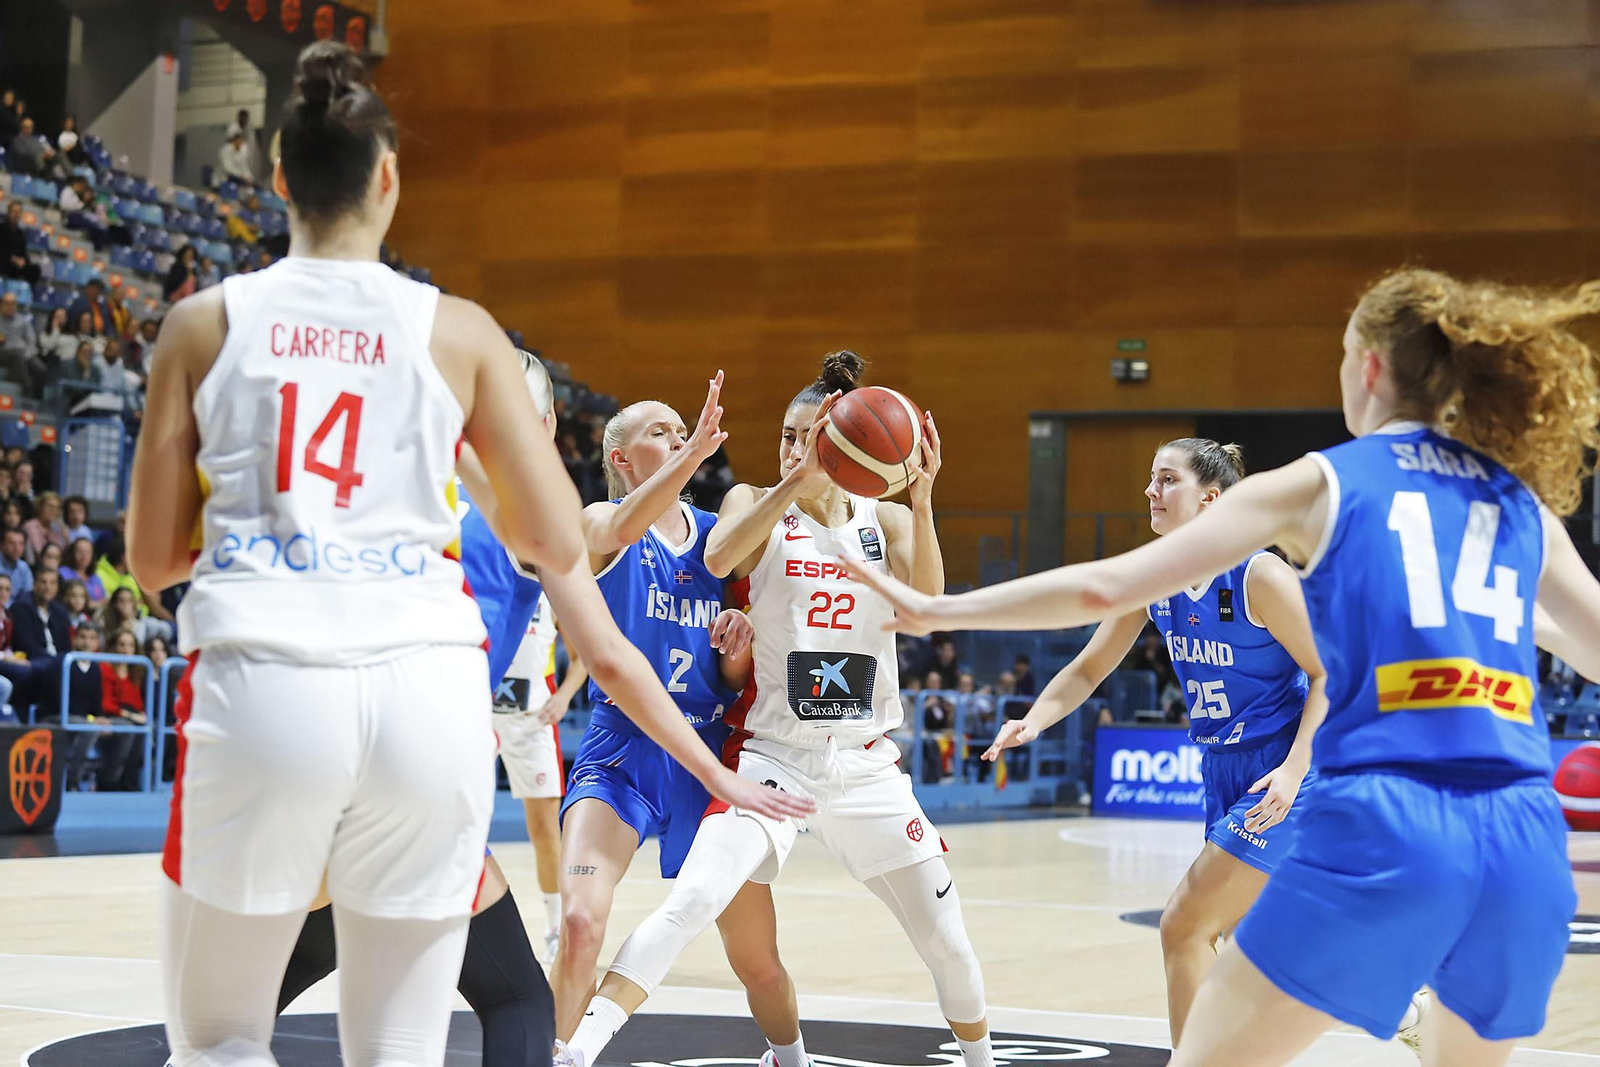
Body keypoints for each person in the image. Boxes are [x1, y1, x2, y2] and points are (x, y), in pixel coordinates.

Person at [128, 40, 808, 1067]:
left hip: (266, 682)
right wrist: (719, 765)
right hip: (426, 701)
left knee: (219, 1036)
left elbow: (150, 562)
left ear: (275, 178)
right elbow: (555, 543)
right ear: (390, 177)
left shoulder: (199, 324)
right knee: (404, 1042)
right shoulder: (459, 331)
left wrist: (278, 527)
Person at [841, 268, 1599, 1067]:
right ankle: (1404, 1005)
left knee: (1190, 938)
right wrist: (1529, 626)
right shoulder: (1519, 501)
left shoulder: (1326, 480)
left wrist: (942, 608)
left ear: (1369, 366)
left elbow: (1102, 583)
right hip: (1525, 836)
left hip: (1394, 811)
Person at [563, 352, 1000, 1067]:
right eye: (790, 435)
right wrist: (795, 479)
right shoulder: (753, 501)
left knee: (947, 942)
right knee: (692, 901)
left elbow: (928, 613)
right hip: (774, 759)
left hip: (865, 764)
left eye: (812, 435)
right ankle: (575, 1052)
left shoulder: (883, 519)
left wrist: (921, 500)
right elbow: (718, 559)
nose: (796, 448)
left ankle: (982, 1061)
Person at [982, 438, 1330, 1048]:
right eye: (1151, 479)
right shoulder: (1154, 578)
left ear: (1211, 499)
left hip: (1288, 767)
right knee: (1257, 945)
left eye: (1167, 480)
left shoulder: (1259, 574)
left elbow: (1333, 675)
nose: (1151, 491)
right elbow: (1090, 669)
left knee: (1183, 927)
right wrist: (1035, 719)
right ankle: (1405, 1011)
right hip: (1222, 767)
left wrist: (1294, 771)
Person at [549, 371, 762, 1041]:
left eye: (684, 429)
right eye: (660, 432)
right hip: (623, 744)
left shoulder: (716, 538)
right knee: (581, 921)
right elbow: (622, 519)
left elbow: (732, 676)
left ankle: (788, 1051)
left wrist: (737, 643)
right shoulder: (598, 523)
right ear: (620, 457)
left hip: (706, 750)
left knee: (756, 958)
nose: (677, 438)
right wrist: (697, 451)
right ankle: (558, 1053)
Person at [12, 566, 69, 661]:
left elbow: (66, 645)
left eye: (53, 583)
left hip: (58, 662)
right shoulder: (21, 608)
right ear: (34, 584)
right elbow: (26, 646)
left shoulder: (60, 611)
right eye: (43, 582)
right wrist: (54, 661)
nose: (48, 587)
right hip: (32, 661)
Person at [0, 289, 40, 393]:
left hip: (24, 354)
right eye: (7, 303)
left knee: (41, 369)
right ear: (1, 305)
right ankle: (27, 390)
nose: (10, 306)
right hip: (4, 352)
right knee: (17, 357)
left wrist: (28, 354)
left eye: (13, 303)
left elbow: (31, 340)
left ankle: (37, 401)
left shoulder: (23, 320)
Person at [0, 200, 39, 286]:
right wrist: (13, 258)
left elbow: (23, 251)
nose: (16, 215)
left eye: (19, 212)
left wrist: (25, 261)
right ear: (9, 213)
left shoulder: (21, 233)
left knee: (35, 270)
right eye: (14, 212)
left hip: (16, 264)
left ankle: (25, 292)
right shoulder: (2, 228)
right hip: (4, 261)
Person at [22, 491, 68, 562]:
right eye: (50, 507)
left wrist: (66, 537)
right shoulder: (30, 526)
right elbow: (38, 553)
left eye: (56, 508)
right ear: (40, 507)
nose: (53, 511)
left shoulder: (55, 529)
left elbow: (61, 555)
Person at [0, 528, 32, 605]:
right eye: (12, 543)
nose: (17, 548)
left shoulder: (24, 567)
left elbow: (27, 595)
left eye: (21, 544)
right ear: (1, 545)